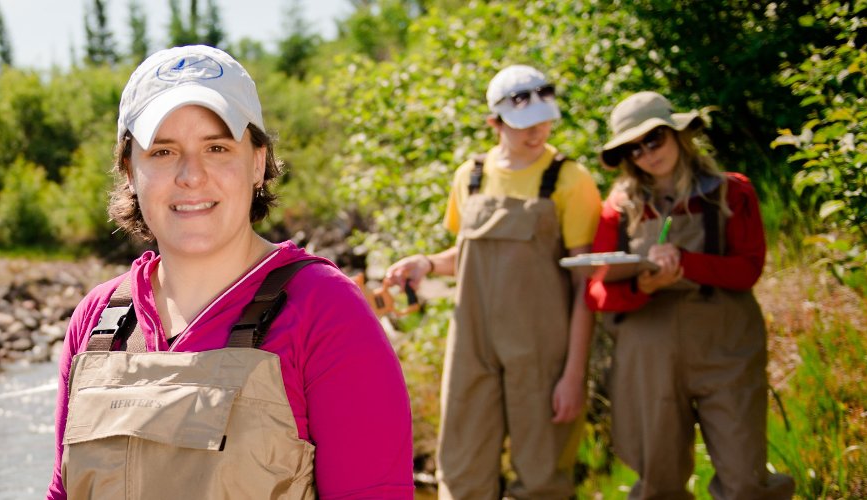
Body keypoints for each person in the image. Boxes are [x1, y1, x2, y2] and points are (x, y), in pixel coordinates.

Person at [46, 45, 413, 499]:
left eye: (217, 147)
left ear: (257, 161)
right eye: (162, 151)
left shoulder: (326, 311)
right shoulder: (97, 319)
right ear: (129, 170)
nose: (191, 175)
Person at [382, 65, 602, 498]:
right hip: (472, 350)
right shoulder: (471, 176)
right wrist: (426, 263)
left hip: (543, 354)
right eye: (523, 124)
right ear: (494, 123)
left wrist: (574, 373)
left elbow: (585, 287)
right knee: (461, 472)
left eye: (543, 120)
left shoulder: (571, 180)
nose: (536, 132)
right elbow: (467, 256)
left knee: (542, 479)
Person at [587, 91, 795, 499]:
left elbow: (749, 268)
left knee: (745, 480)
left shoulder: (731, 192)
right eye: (635, 147)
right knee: (658, 484)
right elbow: (597, 291)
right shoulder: (616, 208)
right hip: (648, 354)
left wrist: (686, 264)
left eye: (655, 139)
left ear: (678, 134)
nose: (647, 153)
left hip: (726, 350)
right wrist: (640, 286)